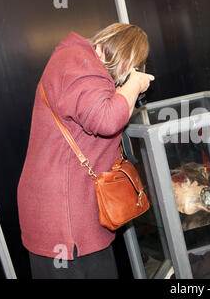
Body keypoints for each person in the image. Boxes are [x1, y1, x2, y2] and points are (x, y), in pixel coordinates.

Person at [17, 23, 155, 279]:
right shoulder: (77, 61)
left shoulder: (84, 68)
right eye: (130, 64)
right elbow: (106, 119)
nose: (126, 73)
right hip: (63, 224)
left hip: (75, 218)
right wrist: (134, 83)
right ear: (115, 53)